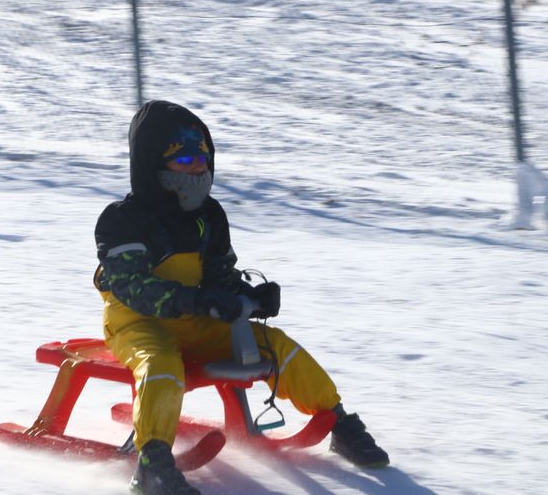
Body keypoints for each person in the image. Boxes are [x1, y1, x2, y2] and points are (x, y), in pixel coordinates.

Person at [94, 100, 388, 495]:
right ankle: (152, 463)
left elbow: (219, 274)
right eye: (184, 160)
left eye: (202, 157)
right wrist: (197, 301)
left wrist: (249, 295)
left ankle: (337, 420)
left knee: (275, 346)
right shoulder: (121, 220)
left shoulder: (209, 215)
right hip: (137, 323)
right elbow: (135, 289)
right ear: (154, 166)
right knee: (161, 365)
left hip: (196, 323)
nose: (198, 168)